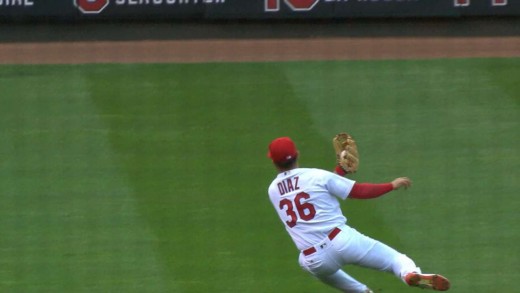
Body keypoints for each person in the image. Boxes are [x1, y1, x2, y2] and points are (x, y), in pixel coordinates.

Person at [267, 137, 450, 292]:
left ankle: (361, 291)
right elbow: (358, 191)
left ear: (274, 161)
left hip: (315, 259)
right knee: (396, 260)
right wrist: (391, 185)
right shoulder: (316, 176)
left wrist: (340, 172)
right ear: (297, 154)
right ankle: (409, 274)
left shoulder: (273, 190)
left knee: (304, 262)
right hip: (343, 242)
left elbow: (312, 191)